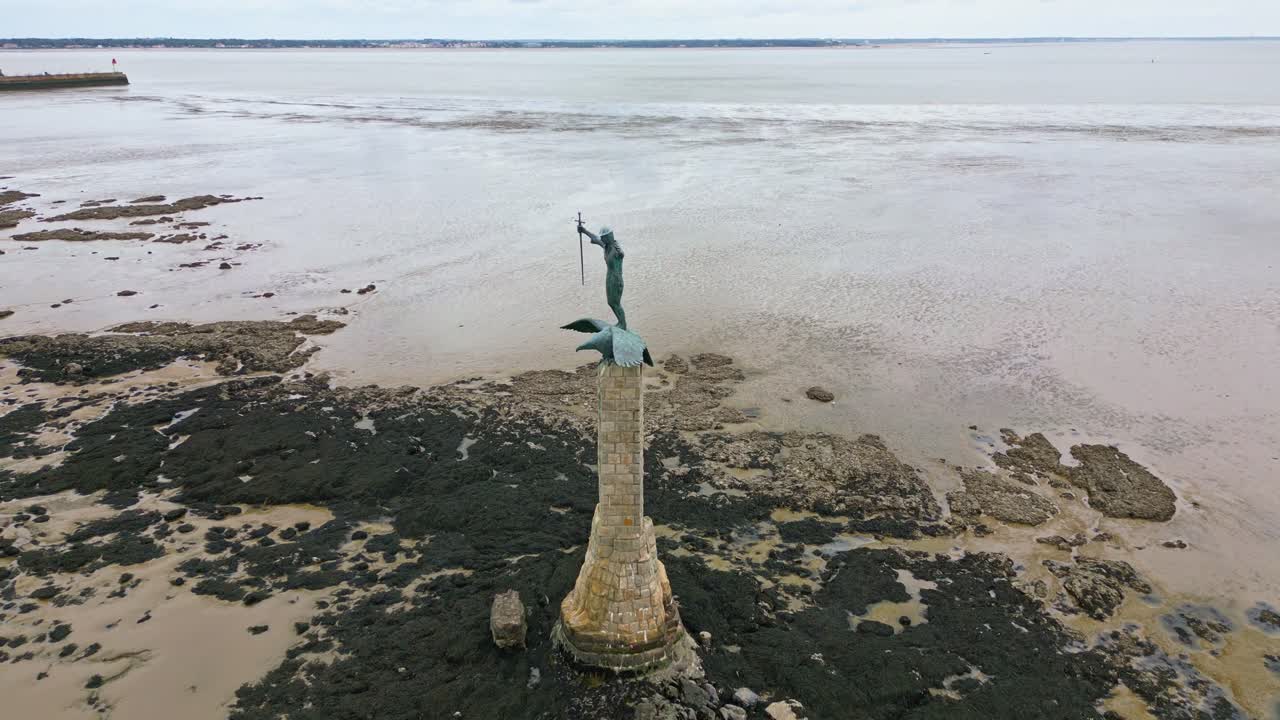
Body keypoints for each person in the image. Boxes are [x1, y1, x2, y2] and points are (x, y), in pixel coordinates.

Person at [577, 222, 627, 330]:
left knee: (616, 303)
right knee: (611, 302)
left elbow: (622, 254)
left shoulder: (616, 249)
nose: (602, 239)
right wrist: (584, 230)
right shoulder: (606, 246)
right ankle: (620, 321)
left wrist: (620, 252)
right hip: (609, 277)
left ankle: (623, 324)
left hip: (616, 278)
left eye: (604, 238)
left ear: (609, 237)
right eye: (602, 238)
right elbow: (595, 238)